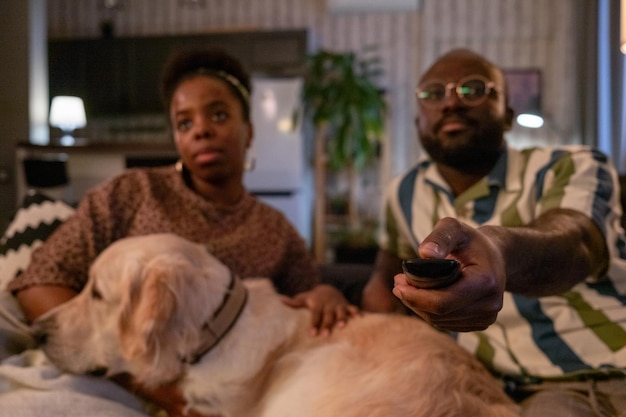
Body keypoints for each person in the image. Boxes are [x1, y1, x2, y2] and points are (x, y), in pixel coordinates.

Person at [7, 47, 357, 417]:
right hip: (114, 374)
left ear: (249, 131)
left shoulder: (276, 229)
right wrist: (141, 379)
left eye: (218, 115)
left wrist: (327, 293)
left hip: (223, 391)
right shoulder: (129, 193)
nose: (201, 130)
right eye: (184, 123)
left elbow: (306, 305)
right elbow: (39, 281)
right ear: (175, 137)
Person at [362, 48, 626, 417]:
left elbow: (576, 242)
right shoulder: (402, 191)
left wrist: (498, 253)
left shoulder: (571, 165)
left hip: (595, 374)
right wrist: (329, 308)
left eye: (472, 89)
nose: (451, 102)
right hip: (474, 385)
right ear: (418, 120)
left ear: (508, 115)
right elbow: (383, 280)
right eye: (433, 94)